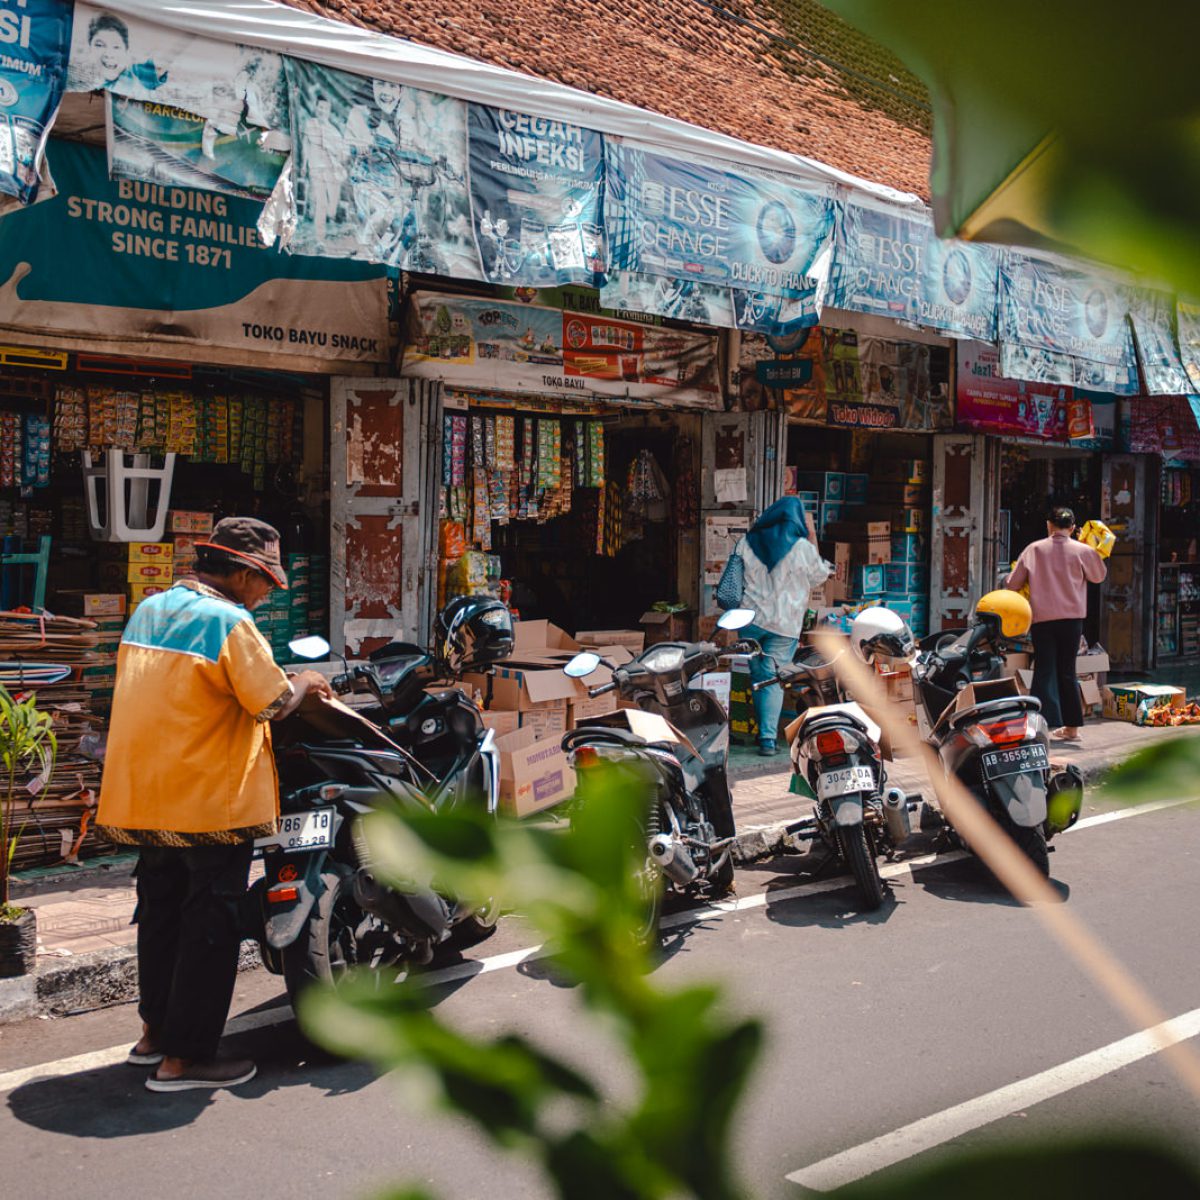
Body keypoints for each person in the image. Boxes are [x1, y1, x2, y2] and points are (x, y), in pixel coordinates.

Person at [96, 518, 334, 1093]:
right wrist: (309, 680)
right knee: (208, 926)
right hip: (208, 802)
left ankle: (153, 1035)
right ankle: (186, 1059)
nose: (269, 592)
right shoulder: (230, 622)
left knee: (160, 915)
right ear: (243, 571)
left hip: (145, 796)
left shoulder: (151, 608)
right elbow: (274, 703)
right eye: (266, 581)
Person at [735, 497, 832, 755]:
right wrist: (812, 536)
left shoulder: (746, 542)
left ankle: (757, 731)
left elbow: (734, 576)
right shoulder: (802, 548)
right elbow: (820, 577)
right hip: (784, 624)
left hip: (750, 620)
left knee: (758, 675)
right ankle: (767, 739)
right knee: (772, 679)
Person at [1006, 505, 1106, 742]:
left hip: (1042, 620)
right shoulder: (1083, 550)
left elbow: (1012, 583)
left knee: (1044, 671)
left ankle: (1038, 728)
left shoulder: (1034, 549)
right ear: (1072, 528)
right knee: (1067, 672)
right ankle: (1072, 729)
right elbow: (1098, 576)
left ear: (1049, 525)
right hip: (1072, 621)